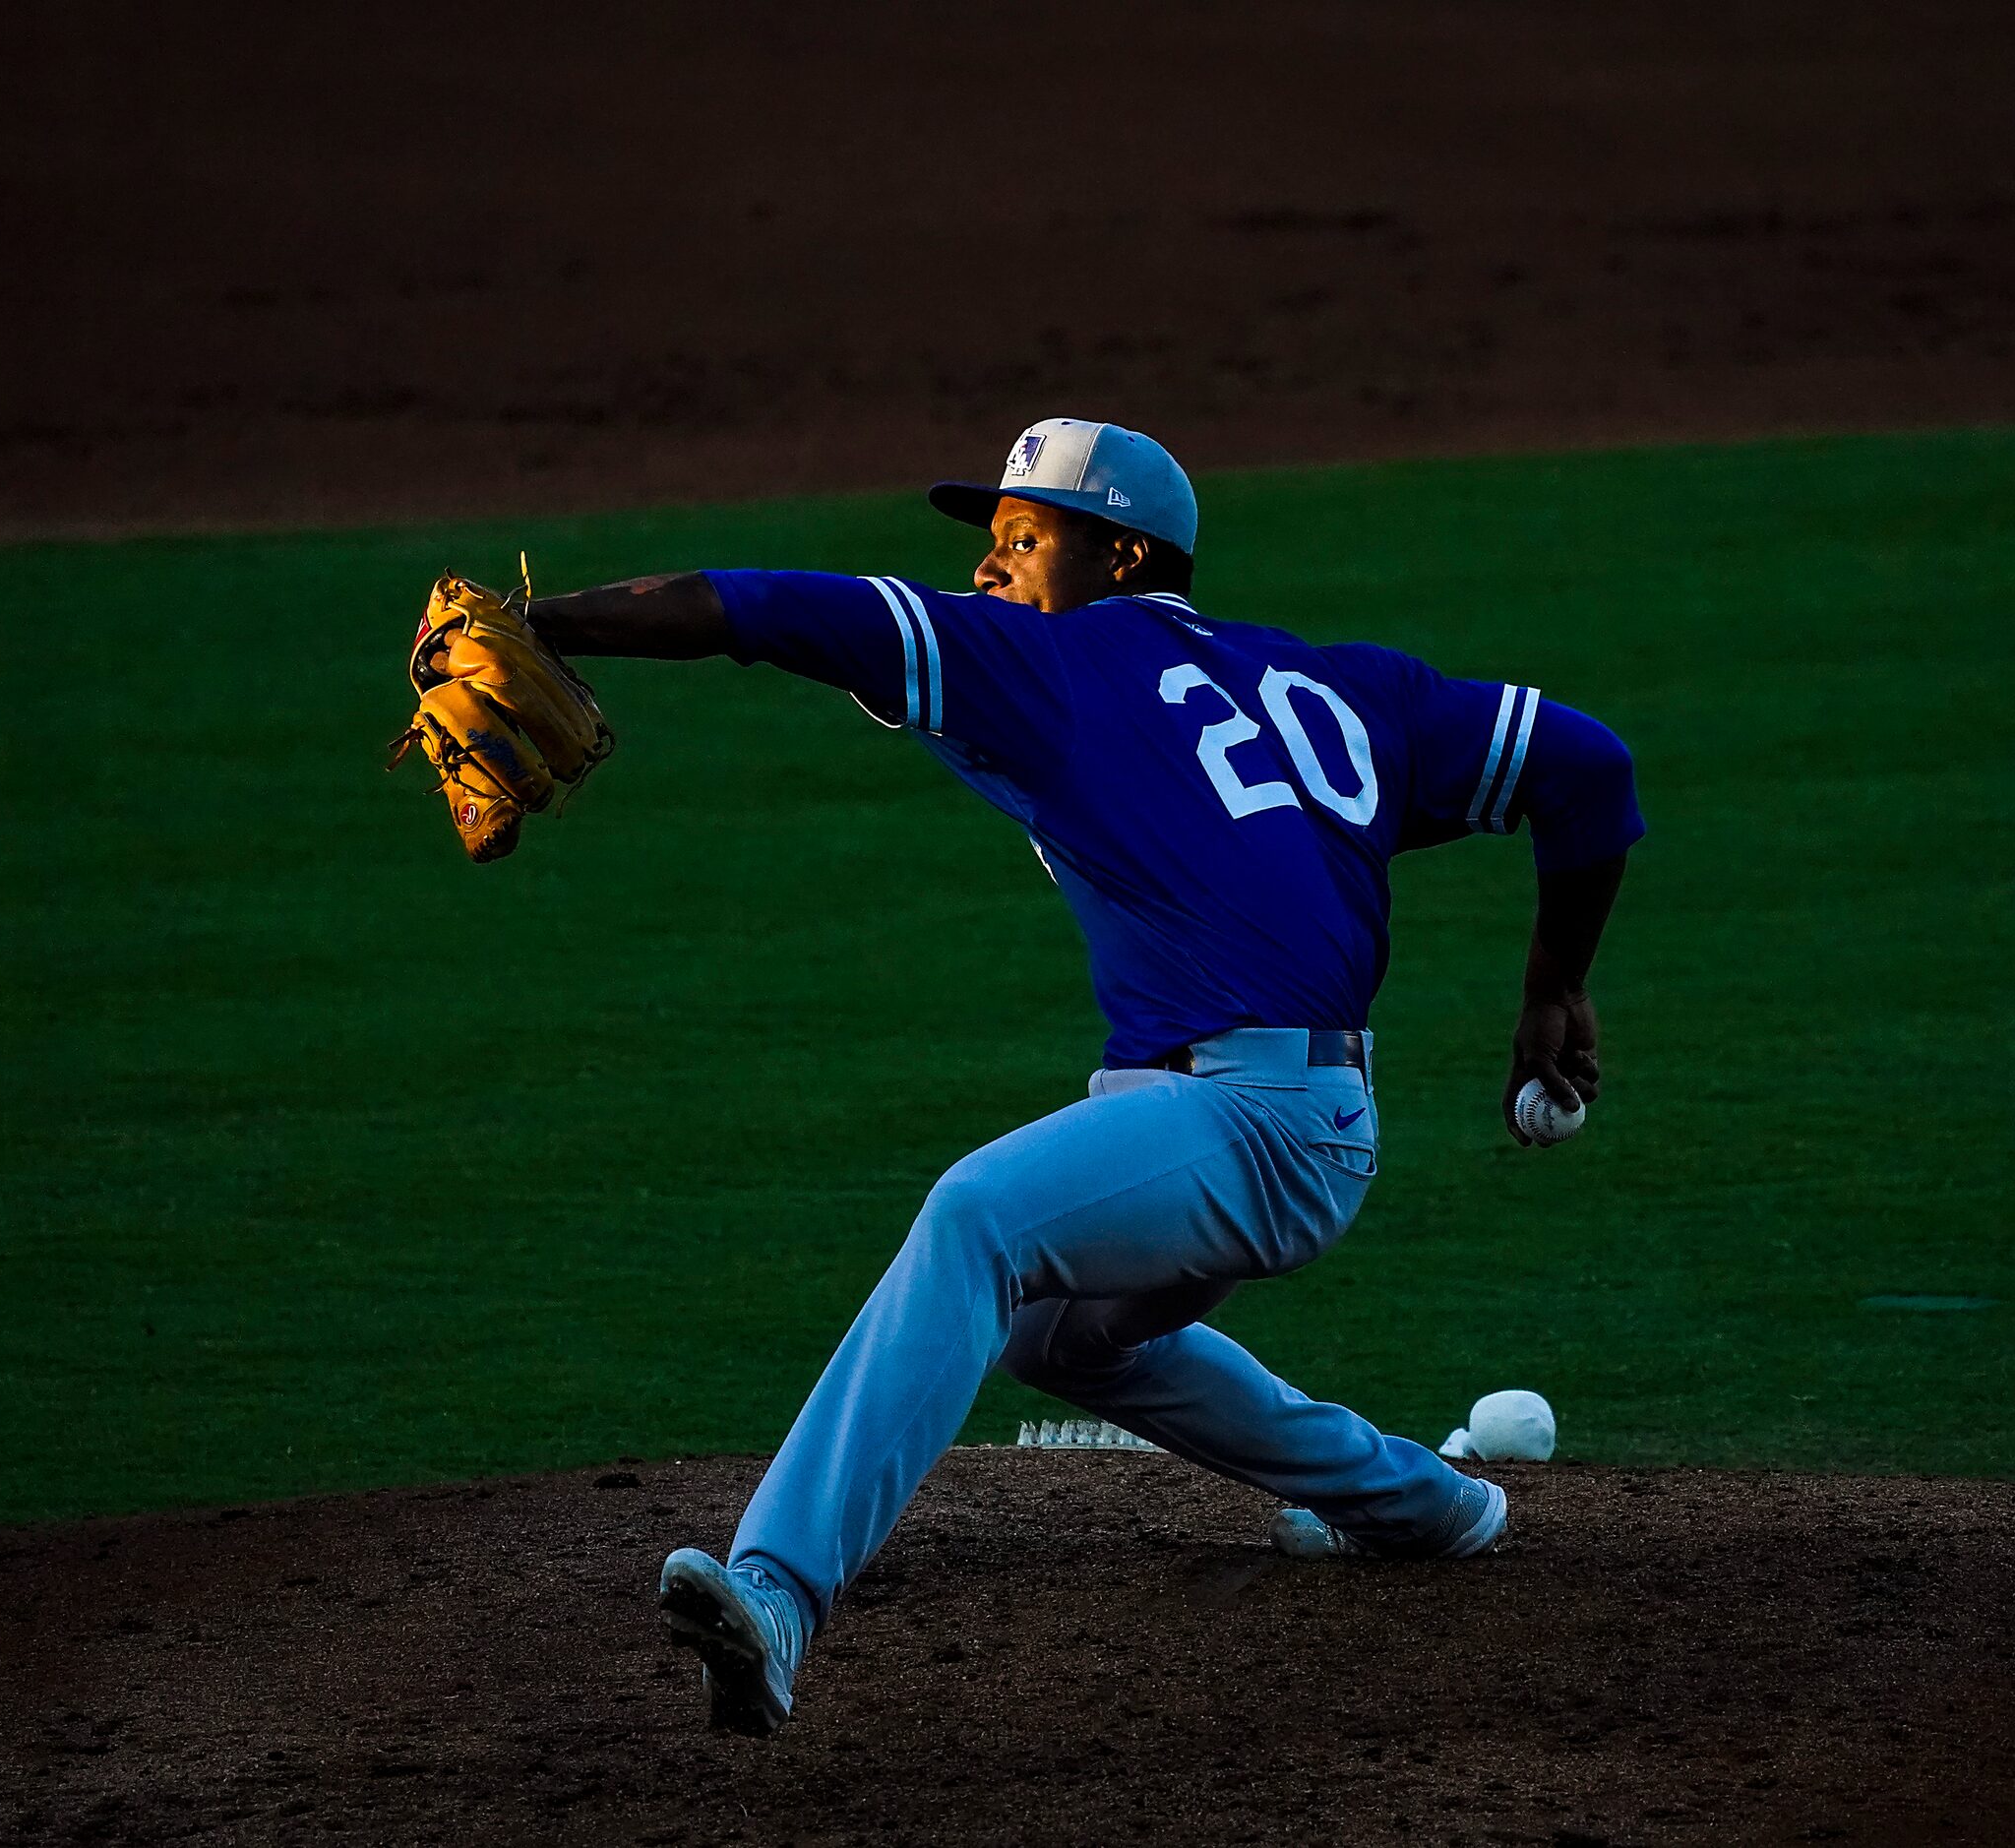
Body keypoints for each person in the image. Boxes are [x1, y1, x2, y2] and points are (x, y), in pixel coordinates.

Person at [514, 418, 1643, 1736]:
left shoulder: (1045, 662)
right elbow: (1586, 767)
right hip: (1246, 1119)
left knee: (977, 1217)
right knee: (1060, 1338)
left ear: (1116, 553)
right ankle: (1423, 1501)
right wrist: (1552, 985)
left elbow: (751, 607)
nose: (989, 565)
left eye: (1021, 534)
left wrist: (542, 621)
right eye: (985, 539)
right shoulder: (1339, 687)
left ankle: (772, 1594)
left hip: (1250, 1122)